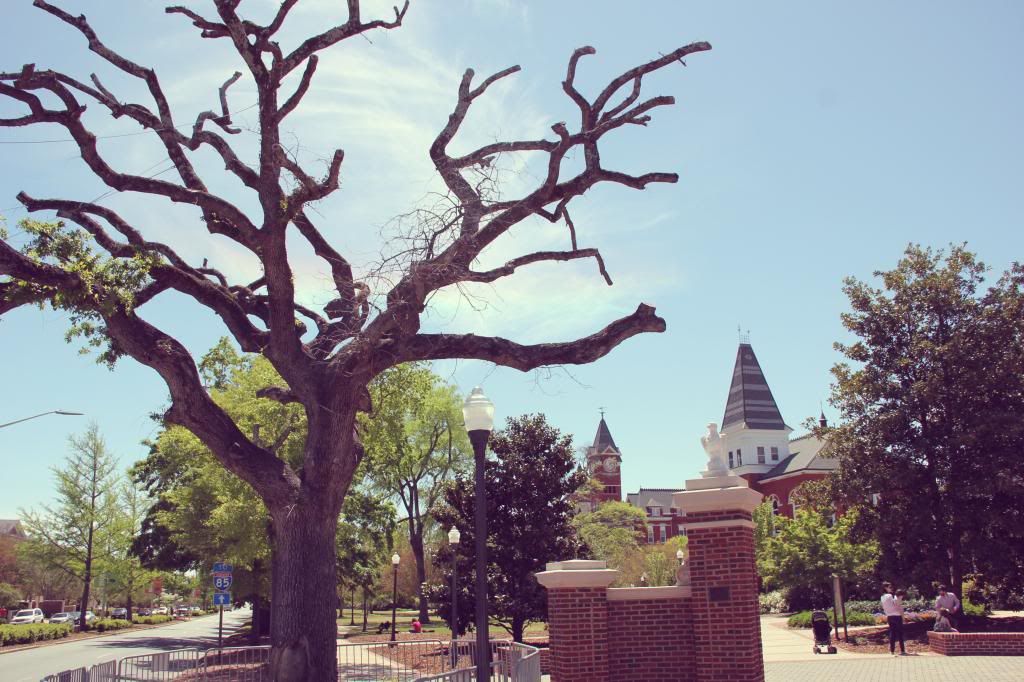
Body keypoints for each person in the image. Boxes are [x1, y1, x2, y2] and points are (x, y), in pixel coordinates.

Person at [880, 582, 906, 655]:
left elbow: (884, 607)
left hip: (889, 616)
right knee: (900, 633)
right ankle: (902, 651)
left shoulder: (882, 597)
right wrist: (899, 599)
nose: (891, 588)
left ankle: (892, 651)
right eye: (890, 587)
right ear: (885, 588)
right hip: (897, 616)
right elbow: (897, 605)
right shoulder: (890, 596)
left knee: (892, 633)